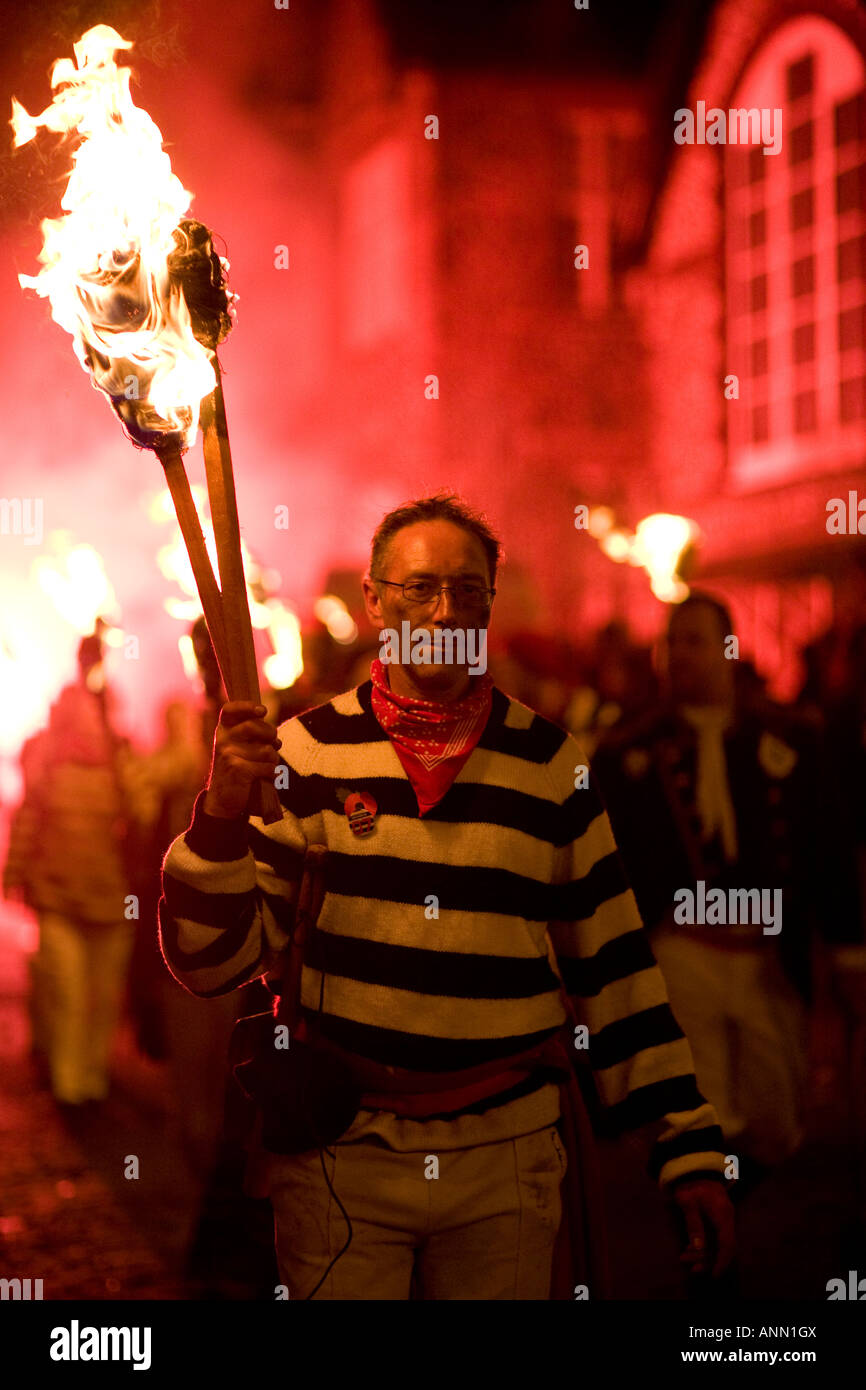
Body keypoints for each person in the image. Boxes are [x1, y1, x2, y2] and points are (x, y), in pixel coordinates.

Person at [159, 495, 734, 1300]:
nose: (442, 610)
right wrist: (219, 814)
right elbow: (210, 963)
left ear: (490, 605)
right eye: (417, 588)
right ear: (373, 600)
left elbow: (616, 969)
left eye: (467, 590)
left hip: (507, 1160)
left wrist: (689, 1149)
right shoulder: (305, 752)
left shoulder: (550, 762)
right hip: (341, 1155)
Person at [593, 592, 859, 1186]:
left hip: (769, 957)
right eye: (672, 641)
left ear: (729, 649)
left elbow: (827, 853)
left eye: (695, 640)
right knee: (699, 1119)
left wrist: (847, 953)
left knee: (775, 1119)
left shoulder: (792, 740)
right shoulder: (626, 752)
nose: (678, 654)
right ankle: (716, 1244)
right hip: (682, 952)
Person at [3, 631, 156, 1107]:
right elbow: (29, 817)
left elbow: (144, 816)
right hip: (59, 899)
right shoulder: (50, 761)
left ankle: (91, 1078)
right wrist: (14, 874)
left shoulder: (119, 762)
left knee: (103, 997)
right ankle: (72, 1087)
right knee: (68, 993)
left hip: (110, 900)